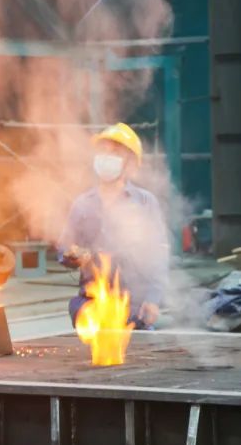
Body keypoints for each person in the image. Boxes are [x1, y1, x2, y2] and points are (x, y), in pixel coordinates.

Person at [58, 123, 170, 330]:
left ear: (131, 164)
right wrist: (72, 255)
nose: (107, 157)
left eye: (115, 153)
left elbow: (158, 256)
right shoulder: (82, 204)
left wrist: (153, 299)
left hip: (134, 308)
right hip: (93, 307)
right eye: (103, 151)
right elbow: (64, 248)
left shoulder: (145, 203)